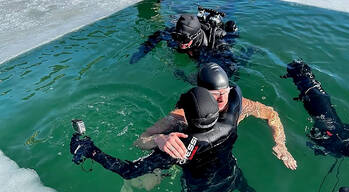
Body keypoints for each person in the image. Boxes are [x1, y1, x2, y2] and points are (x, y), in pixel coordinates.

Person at [70, 87, 256, 192]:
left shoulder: (180, 146)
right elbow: (236, 91)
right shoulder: (229, 122)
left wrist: (91, 151)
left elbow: (129, 171)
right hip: (233, 177)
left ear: (187, 116)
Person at [135, 62, 298, 170]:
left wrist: (280, 144)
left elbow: (272, 114)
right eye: (214, 94)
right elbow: (140, 141)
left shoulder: (240, 105)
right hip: (196, 162)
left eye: (225, 92)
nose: (221, 98)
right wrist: (159, 139)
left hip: (226, 157)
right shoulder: (182, 114)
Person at [281, 60, 349, 191]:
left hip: (330, 123)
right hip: (330, 125)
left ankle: (298, 71)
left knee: (319, 102)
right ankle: (298, 71)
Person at [129, 6, 248, 78]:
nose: (181, 43)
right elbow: (158, 35)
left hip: (219, 37)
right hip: (195, 31)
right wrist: (142, 51)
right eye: (177, 37)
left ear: (195, 36)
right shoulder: (176, 34)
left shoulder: (211, 46)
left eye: (185, 39)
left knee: (231, 32)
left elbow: (232, 67)